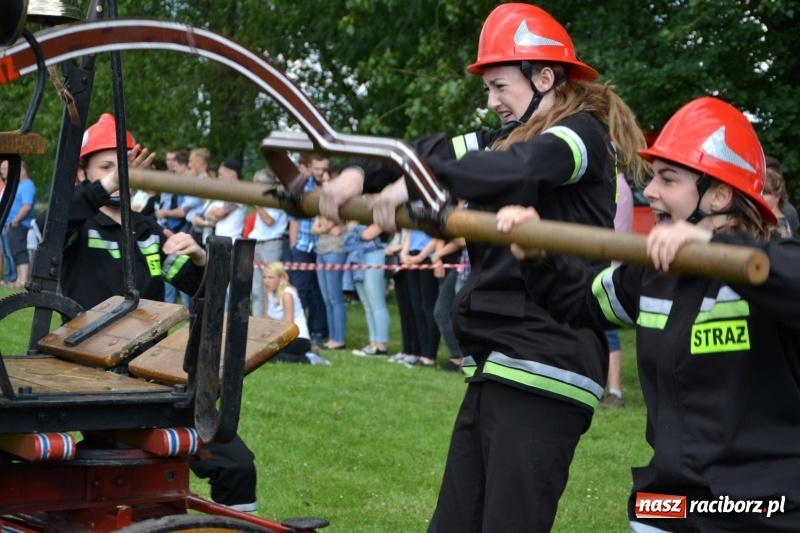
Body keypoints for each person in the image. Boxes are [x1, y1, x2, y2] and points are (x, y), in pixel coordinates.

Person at [318, 4, 646, 530]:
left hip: (548, 361)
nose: (491, 101)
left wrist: (420, 181)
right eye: (487, 89)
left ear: (544, 78)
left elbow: (515, 169)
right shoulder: (506, 135)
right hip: (497, 359)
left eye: (499, 87)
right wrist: (357, 173)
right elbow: (423, 150)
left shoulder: (579, 135)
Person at [498, 96, 800, 531]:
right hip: (669, 500)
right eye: (654, 176)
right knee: (648, 511)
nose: (651, 191)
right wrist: (537, 255)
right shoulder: (652, 274)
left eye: (668, 179)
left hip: (761, 508)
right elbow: (581, 301)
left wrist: (713, 248)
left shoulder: (771, 264)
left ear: (718, 195)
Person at [43, 113, 259, 513]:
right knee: (129, 477)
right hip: (92, 377)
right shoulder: (76, 226)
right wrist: (108, 184)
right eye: (106, 167)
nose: (118, 176)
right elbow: (51, 222)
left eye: (124, 168)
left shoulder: (148, 231)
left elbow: (198, 289)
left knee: (237, 467)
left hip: (153, 376)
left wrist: (201, 259)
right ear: (83, 173)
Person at [599, 173, 634, 409]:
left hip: (608, 265)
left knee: (608, 331)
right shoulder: (620, 185)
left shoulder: (614, 185)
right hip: (613, 263)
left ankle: (615, 391)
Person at [288, 153, 330, 347]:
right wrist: (293, 244)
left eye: (324, 169)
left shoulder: (334, 187)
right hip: (303, 245)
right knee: (301, 291)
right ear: (311, 168)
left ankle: (318, 331)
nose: (320, 172)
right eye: (317, 169)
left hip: (324, 246)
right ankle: (298, 331)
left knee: (320, 292)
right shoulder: (303, 187)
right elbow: (294, 218)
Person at [311, 172, 348, 351]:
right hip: (321, 251)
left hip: (335, 251)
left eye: (328, 180)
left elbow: (333, 224)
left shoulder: (343, 202)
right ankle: (333, 337)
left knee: (335, 298)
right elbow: (314, 229)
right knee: (327, 298)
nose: (325, 184)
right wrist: (326, 227)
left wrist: (324, 227)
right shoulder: (322, 203)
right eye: (323, 181)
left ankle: (339, 339)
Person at [346, 219, 391, 357]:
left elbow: (367, 234)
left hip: (375, 255)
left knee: (377, 303)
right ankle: (373, 343)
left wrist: (355, 229)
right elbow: (351, 227)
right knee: (367, 304)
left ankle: (381, 346)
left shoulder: (383, 216)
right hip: (359, 256)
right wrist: (356, 230)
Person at [249, 169, 289, 319]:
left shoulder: (275, 198)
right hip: (258, 244)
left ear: (263, 184)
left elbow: (269, 221)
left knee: (271, 286)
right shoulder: (263, 199)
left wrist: (258, 205)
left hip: (271, 245)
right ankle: (258, 321)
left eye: (256, 183)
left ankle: (270, 321)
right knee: (257, 289)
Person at [262, 261, 314, 364]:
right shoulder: (269, 293)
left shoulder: (287, 295)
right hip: (280, 338)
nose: (266, 281)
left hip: (297, 338)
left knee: (267, 355)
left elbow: (288, 327)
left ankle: (308, 359)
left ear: (281, 278)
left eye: (270, 278)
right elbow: (266, 321)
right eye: (264, 277)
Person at [1, 160, 36, 288]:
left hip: (20, 224)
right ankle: (18, 280)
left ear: (23, 171)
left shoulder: (27, 185)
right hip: (13, 224)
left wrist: (15, 220)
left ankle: (22, 280)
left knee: (20, 251)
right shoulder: (20, 185)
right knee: (14, 251)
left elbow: (26, 206)